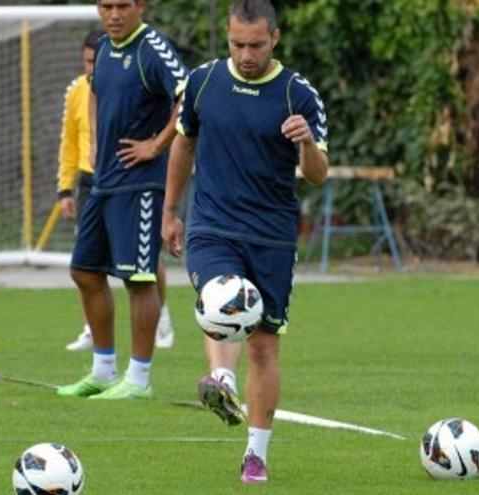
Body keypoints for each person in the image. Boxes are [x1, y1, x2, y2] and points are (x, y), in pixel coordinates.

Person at [162, 0, 329, 483]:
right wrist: (172, 210)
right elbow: (183, 143)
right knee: (219, 296)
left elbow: (318, 176)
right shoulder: (203, 82)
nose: (246, 53)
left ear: (274, 38)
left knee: (264, 347)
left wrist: (307, 144)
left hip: (272, 235)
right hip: (213, 224)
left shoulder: (298, 94)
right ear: (228, 38)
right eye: (237, 44)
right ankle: (220, 379)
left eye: (256, 44)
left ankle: (255, 454)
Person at [56, 0, 187, 400]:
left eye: (123, 6)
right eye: (107, 6)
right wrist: (95, 137)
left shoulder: (153, 48)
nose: (114, 14)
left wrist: (156, 145)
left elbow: (189, 96)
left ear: (141, 6)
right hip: (103, 182)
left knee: (138, 278)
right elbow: (94, 92)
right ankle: (103, 370)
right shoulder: (106, 49)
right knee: (84, 271)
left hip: (141, 184)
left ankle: (139, 380)